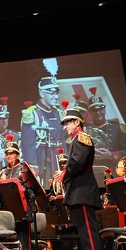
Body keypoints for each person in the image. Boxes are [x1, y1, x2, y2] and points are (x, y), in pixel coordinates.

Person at [54, 104, 104, 250]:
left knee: (89, 232)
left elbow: (77, 162)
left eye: (67, 123)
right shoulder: (76, 139)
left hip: (82, 191)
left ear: (77, 122)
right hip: (80, 192)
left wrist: (64, 174)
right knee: (85, 233)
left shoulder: (81, 138)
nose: (65, 127)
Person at [20, 76, 67, 189]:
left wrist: (66, 163)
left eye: (57, 93)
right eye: (51, 93)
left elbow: (62, 141)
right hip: (41, 161)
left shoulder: (58, 113)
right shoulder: (32, 114)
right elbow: (28, 145)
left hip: (57, 160)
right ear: (42, 94)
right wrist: (33, 167)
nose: (56, 97)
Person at [0, 134, 35, 250]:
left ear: (17, 154)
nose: (9, 156)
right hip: (6, 211)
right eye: (7, 154)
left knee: (24, 243)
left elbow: (31, 189)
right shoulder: (2, 172)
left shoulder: (24, 169)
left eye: (11, 153)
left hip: (22, 210)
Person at [86, 87, 126, 173]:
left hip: (114, 170)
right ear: (90, 112)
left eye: (100, 109)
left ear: (104, 109)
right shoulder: (85, 129)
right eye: (94, 110)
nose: (98, 113)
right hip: (93, 171)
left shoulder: (117, 127)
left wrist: (111, 155)